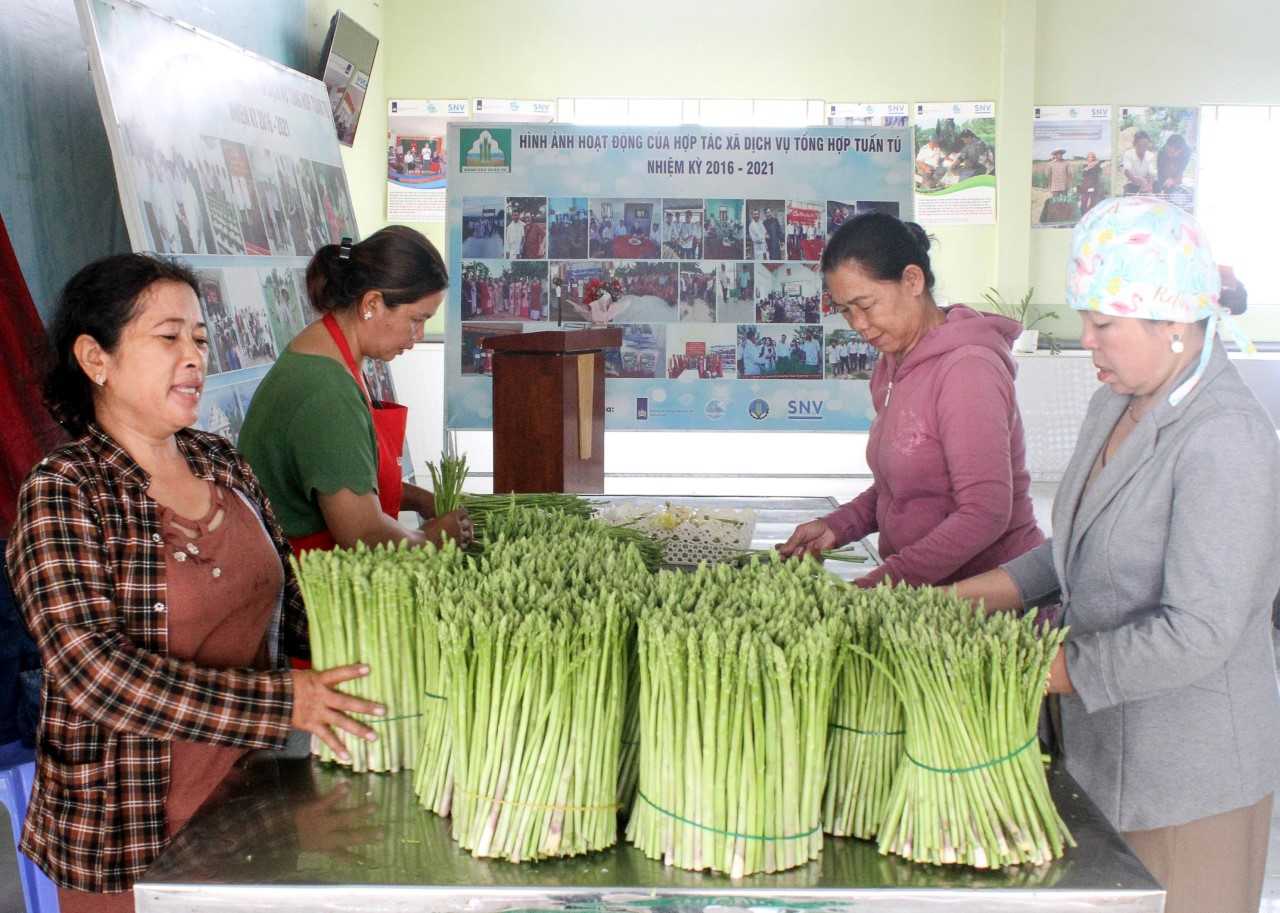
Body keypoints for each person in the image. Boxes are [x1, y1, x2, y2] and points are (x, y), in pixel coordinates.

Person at [5, 255, 387, 912]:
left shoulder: (220, 460)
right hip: (128, 839)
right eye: (168, 336)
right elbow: (95, 674)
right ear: (97, 358)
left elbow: (291, 606)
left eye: (201, 338)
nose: (194, 355)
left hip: (256, 804)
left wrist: (393, 633)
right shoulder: (64, 492)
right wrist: (280, 704)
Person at [953, 197, 1277, 913]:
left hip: (1187, 779)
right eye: (1086, 320)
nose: (1087, 340)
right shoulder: (1118, 402)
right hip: (1099, 751)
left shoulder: (1226, 440)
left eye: (1104, 324)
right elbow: (1074, 548)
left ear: (1172, 323)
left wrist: (1048, 669)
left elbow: (1199, 631)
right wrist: (966, 598)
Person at [778, 212, 1043, 587]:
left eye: (866, 305)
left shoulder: (967, 369)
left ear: (912, 280)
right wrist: (838, 526)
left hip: (987, 599)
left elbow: (985, 513)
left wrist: (885, 585)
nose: (858, 325)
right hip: (926, 594)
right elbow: (903, 487)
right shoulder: (892, 365)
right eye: (846, 311)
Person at [239, 228, 471, 554]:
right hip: (305, 586)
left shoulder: (324, 352)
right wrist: (434, 538)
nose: (417, 335)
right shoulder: (326, 392)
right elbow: (361, 534)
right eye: (416, 320)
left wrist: (420, 500)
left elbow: (344, 474)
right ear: (372, 303)